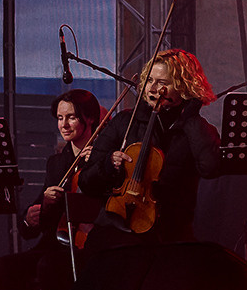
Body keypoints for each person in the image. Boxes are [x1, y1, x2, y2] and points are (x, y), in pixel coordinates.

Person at [0, 87, 102, 290]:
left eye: (71, 117)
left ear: (90, 119)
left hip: (88, 245)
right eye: (60, 118)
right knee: (1, 269)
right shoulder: (57, 163)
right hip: (57, 242)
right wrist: (32, 216)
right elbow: (34, 222)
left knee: (48, 266)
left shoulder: (101, 158)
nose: (64, 124)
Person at [79, 48, 219, 246]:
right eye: (149, 80)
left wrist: (191, 113)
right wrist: (109, 163)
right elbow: (86, 182)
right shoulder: (125, 121)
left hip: (171, 234)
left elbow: (210, 167)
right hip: (117, 227)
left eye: (162, 83)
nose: (153, 89)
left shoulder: (197, 128)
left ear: (184, 87)